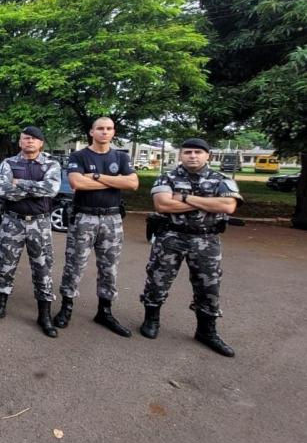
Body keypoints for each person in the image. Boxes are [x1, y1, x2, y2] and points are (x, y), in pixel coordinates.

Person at [139, 138, 242, 357]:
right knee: (157, 281)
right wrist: (208, 202)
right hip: (171, 237)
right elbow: (162, 204)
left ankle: (207, 331)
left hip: (206, 240)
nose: (192, 156)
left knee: (208, 286)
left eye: (197, 152)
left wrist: (185, 197)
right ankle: (151, 319)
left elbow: (228, 205)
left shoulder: (220, 179)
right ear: (180, 155)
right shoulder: (168, 176)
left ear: (208, 155)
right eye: (188, 152)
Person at [53, 117, 138, 337]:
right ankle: (66, 307)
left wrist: (98, 176)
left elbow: (133, 183)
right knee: (74, 265)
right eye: (100, 128)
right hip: (84, 218)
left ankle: (105, 311)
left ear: (113, 132)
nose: (104, 132)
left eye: (109, 129)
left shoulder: (120, 156)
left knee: (109, 267)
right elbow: (77, 183)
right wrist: (115, 179)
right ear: (91, 132)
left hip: (112, 219)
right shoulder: (79, 156)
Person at [0, 126, 61, 338]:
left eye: (34, 138)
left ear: (41, 143)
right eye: (25, 138)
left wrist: (19, 183)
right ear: (20, 142)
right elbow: (2, 190)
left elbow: (51, 189)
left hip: (40, 224)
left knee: (43, 268)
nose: (29, 141)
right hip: (13, 222)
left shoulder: (51, 164)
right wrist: (34, 188)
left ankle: (44, 314)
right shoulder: (9, 163)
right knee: (5, 265)